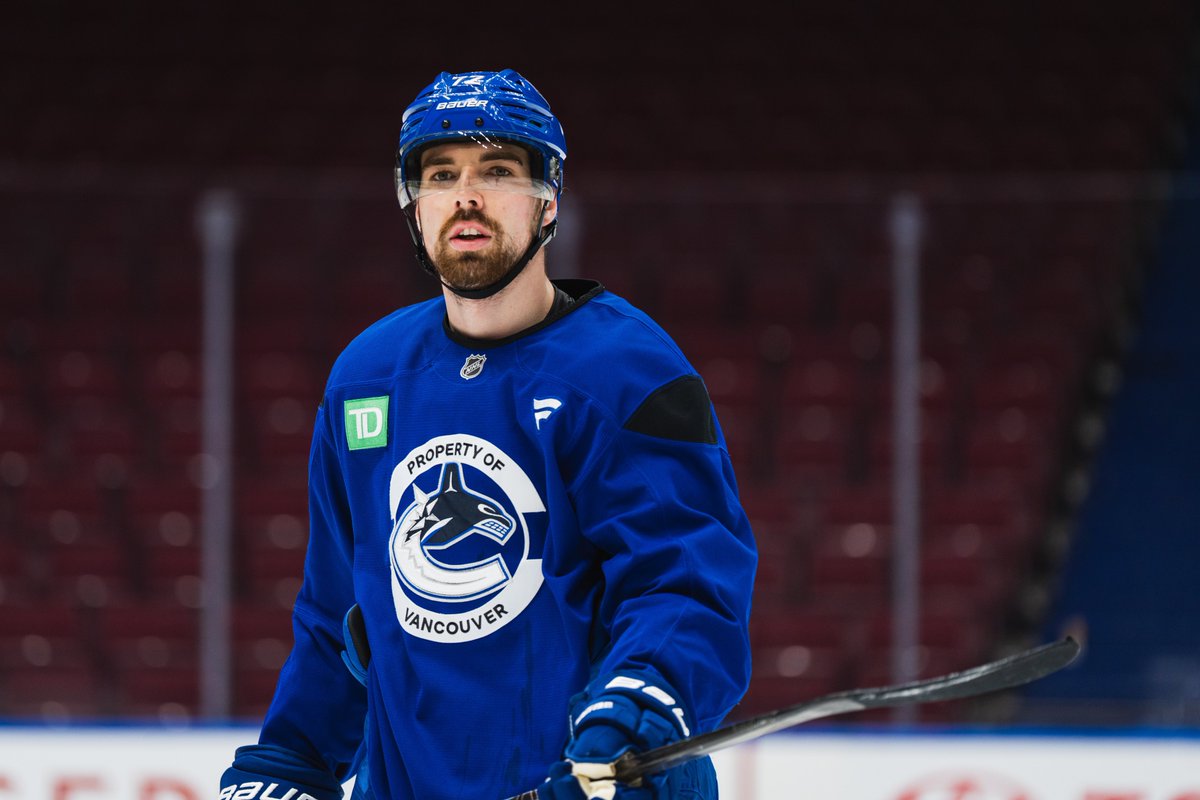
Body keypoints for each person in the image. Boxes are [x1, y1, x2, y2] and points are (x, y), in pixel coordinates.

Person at [219, 69, 757, 800]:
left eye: (498, 171)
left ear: (548, 200)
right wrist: (291, 763)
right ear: (415, 207)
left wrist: (641, 704)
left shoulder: (628, 370)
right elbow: (337, 617)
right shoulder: (366, 378)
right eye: (441, 174)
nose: (466, 195)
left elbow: (688, 582)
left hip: (598, 786)